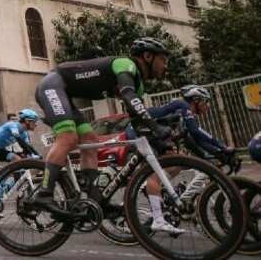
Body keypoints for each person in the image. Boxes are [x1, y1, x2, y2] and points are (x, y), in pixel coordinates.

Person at [30, 37, 172, 217]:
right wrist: (156, 127)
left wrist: (158, 133)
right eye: (163, 60)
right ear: (148, 56)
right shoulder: (125, 64)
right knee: (68, 137)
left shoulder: (138, 84)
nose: (166, 66)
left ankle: (93, 200)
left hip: (64, 92)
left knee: (90, 139)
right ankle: (44, 194)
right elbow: (128, 95)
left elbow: (137, 118)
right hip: (52, 84)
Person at [126, 84, 233, 234]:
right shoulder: (182, 105)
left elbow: (195, 141)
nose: (208, 106)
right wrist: (222, 148)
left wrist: (216, 154)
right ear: (196, 100)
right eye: (206, 101)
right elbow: (196, 133)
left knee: (178, 162)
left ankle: (161, 199)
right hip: (139, 131)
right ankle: (157, 214)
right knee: (161, 172)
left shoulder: (184, 112)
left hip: (154, 134)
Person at [0, 109, 41, 177]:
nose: (36, 124)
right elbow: (18, 139)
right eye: (34, 122)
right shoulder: (13, 125)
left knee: (17, 160)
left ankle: (17, 184)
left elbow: (28, 146)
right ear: (27, 121)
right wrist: (31, 154)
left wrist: (38, 156)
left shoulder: (24, 134)